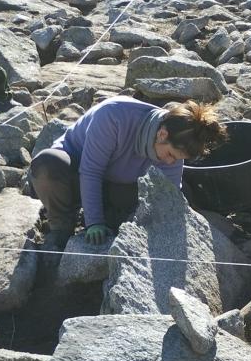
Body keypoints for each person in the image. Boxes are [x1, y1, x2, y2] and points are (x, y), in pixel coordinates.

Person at [29, 96, 226, 250]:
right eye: (170, 155)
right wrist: (94, 222)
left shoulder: (175, 145)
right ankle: (61, 225)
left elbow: (168, 195)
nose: (170, 162)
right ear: (162, 134)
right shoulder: (114, 116)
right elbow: (90, 172)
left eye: (177, 159)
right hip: (75, 171)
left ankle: (110, 215)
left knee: (177, 199)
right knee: (47, 166)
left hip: (116, 184)